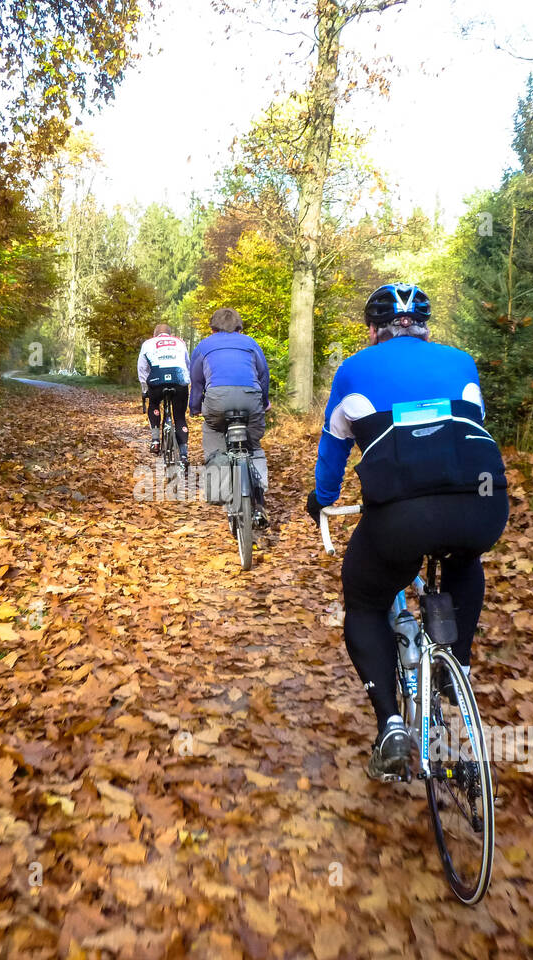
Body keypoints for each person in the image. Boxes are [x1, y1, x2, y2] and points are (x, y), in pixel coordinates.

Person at [305, 284, 509, 780]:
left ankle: (390, 724)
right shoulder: (461, 360)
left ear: (373, 330)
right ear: (424, 326)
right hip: (481, 503)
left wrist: (324, 499)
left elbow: (334, 449)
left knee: (367, 600)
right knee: (465, 559)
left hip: (400, 515)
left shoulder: (354, 368)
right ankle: (453, 667)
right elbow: (469, 429)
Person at [188, 307, 271, 526]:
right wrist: (264, 403)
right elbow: (263, 376)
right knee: (253, 445)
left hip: (217, 399)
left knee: (214, 431)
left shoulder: (204, 345)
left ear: (212, 329)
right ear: (239, 328)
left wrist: (194, 407)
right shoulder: (251, 343)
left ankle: (219, 488)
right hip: (250, 398)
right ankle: (259, 498)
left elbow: (196, 381)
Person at [137, 323, 191, 475]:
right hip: (179, 380)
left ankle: (155, 440)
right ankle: (184, 454)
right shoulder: (180, 342)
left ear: (155, 335)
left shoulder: (148, 343)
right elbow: (187, 364)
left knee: (153, 403)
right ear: (169, 333)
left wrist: (144, 388)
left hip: (157, 381)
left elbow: (142, 367)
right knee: (179, 417)